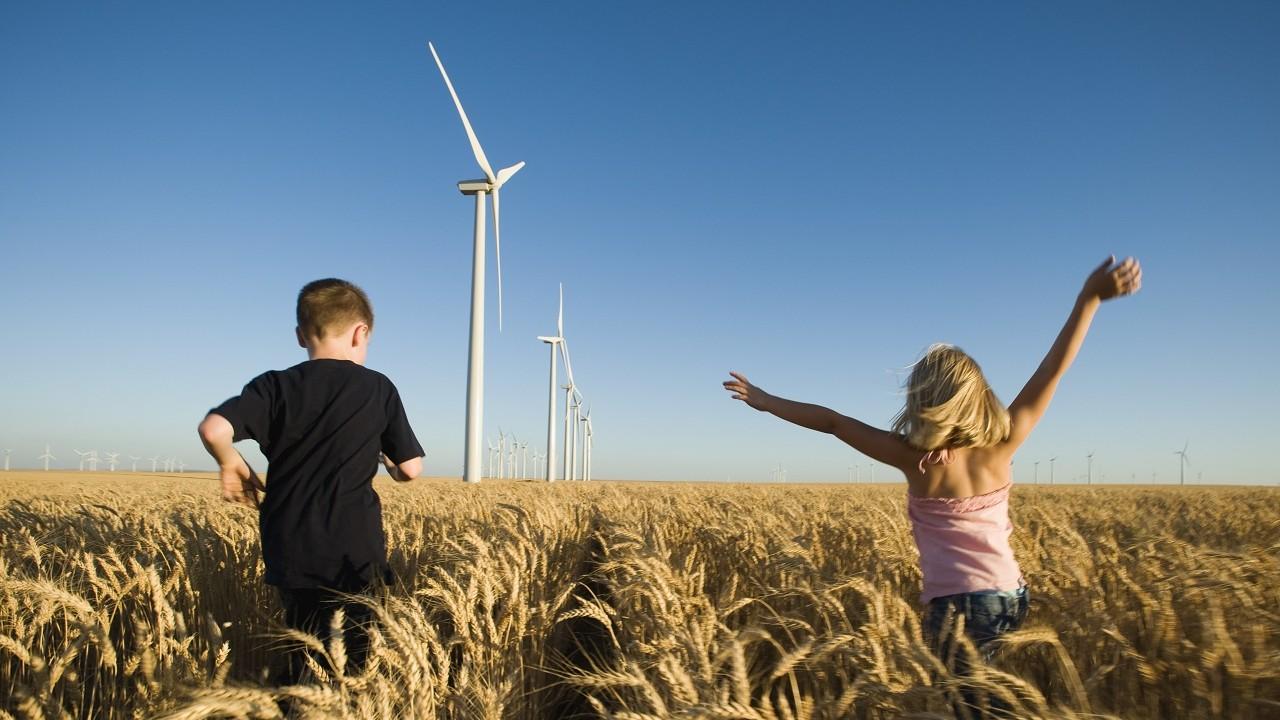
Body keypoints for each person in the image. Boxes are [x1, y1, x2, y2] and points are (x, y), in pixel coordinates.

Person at [723, 256, 1141, 713]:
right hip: (1008, 595)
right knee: (992, 694)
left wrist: (766, 401)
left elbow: (832, 422)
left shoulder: (914, 459)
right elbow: (1049, 372)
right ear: (979, 396)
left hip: (955, 607)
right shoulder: (1002, 445)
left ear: (920, 401)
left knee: (964, 703)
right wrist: (1089, 300)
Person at [198, 278, 425, 685]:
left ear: (301, 335)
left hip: (290, 547)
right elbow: (410, 469)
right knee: (353, 661)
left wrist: (231, 461)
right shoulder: (378, 388)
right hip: (352, 551)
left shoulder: (273, 386)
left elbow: (213, 428)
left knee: (302, 645)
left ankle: (293, 704)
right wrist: (387, 462)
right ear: (362, 333)